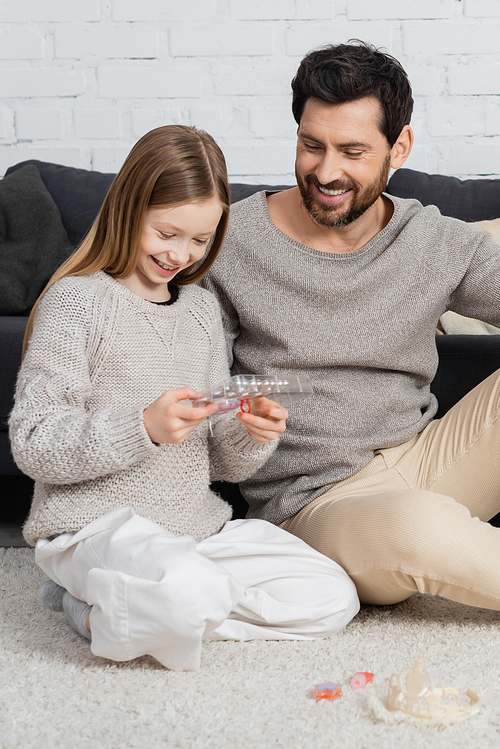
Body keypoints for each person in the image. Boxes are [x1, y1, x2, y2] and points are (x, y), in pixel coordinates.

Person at [8, 125, 359, 671]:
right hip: (96, 526)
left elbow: (218, 460)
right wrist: (142, 428)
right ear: (130, 209)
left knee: (332, 597)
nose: (181, 255)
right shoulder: (77, 303)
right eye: (168, 233)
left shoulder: (199, 313)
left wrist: (248, 430)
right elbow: (33, 443)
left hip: (195, 531)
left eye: (200, 241)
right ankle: (94, 603)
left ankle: (142, 606)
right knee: (191, 591)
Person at [200, 42, 500, 612]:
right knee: (420, 525)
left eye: (352, 151)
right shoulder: (228, 242)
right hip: (316, 505)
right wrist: (246, 403)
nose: (326, 171)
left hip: (429, 460)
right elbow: (194, 386)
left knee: (425, 513)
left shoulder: (429, 239)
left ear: (399, 147)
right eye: (311, 145)